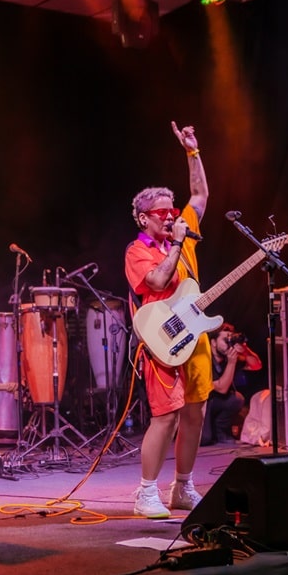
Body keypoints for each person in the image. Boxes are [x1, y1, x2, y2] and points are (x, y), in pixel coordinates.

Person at [124, 121, 209, 518]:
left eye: (173, 211)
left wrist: (192, 151)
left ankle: (183, 486)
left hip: (195, 336)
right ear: (144, 218)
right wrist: (176, 242)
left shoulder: (182, 237)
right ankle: (145, 492)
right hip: (162, 342)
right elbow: (157, 281)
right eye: (162, 212)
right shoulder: (137, 251)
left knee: (195, 412)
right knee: (167, 416)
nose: (171, 216)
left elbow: (200, 194)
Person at [200, 323, 262, 446]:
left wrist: (245, 350)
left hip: (216, 401)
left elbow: (256, 365)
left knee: (236, 399)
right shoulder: (203, 360)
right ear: (213, 342)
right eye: (225, 340)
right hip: (201, 403)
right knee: (204, 439)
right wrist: (232, 363)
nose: (229, 344)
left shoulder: (228, 357)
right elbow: (222, 388)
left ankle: (220, 432)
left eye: (231, 339)